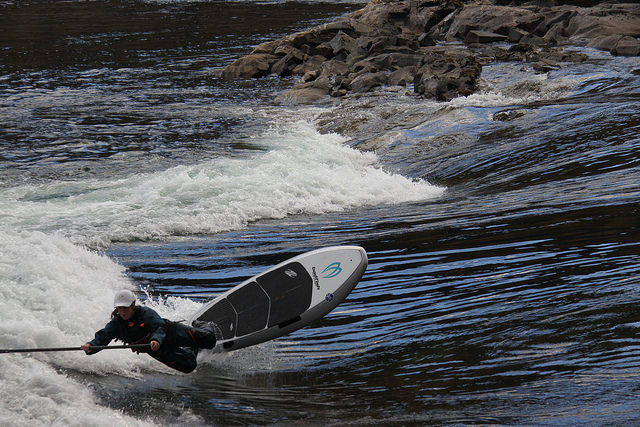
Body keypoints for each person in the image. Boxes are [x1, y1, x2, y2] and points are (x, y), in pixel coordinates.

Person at [81, 289, 217, 373]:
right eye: (119, 308)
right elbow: (103, 337)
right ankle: (192, 346)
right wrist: (91, 346)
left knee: (210, 340)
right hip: (154, 349)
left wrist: (156, 339)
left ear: (133, 305)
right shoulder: (116, 324)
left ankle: (201, 324)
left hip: (171, 333)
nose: (122, 312)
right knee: (189, 366)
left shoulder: (145, 313)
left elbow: (159, 326)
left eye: (125, 308)